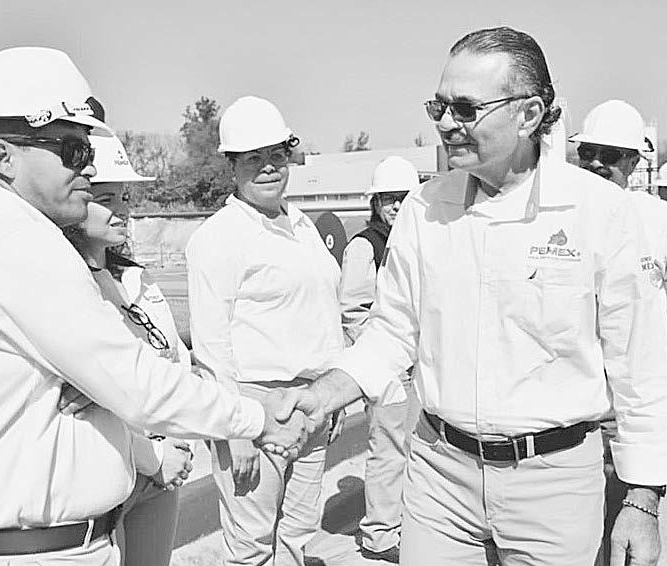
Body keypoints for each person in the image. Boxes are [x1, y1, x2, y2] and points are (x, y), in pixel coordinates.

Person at [273, 27, 667, 566]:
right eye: (438, 107)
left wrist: (642, 499)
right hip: (439, 476)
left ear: (529, 115)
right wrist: (321, 396)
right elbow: (392, 333)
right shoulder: (423, 209)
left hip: (554, 485)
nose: (445, 123)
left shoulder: (600, 212)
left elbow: (639, 367)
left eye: (464, 108)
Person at [0, 47, 311, 566]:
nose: (89, 166)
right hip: (38, 551)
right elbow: (138, 384)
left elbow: (121, 379)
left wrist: (100, 388)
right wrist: (256, 418)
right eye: (73, 150)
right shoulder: (16, 246)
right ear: (4, 157)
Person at [186, 95, 343, 566]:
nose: (269, 167)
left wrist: (332, 396)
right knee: (251, 545)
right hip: (255, 407)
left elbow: (324, 312)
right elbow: (211, 344)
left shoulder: (303, 227)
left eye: (277, 154)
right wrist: (233, 429)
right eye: (254, 158)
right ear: (232, 166)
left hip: (311, 403)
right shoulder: (218, 238)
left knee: (298, 534)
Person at [60, 133, 192, 566]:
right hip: (112, 466)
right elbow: (86, 398)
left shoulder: (137, 279)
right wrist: (152, 457)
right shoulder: (64, 286)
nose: (122, 210)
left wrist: (176, 443)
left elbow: (174, 361)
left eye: (125, 197)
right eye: (105, 198)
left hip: (163, 464)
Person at [570, 99, 667, 566]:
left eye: (609, 155)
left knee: (622, 525)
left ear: (632, 162)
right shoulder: (559, 216)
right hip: (572, 407)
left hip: (625, 403)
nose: (596, 163)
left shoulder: (659, 221)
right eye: (587, 152)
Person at [339, 155, 420, 563]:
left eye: (403, 197)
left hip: (417, 367)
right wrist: (381, 366)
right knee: (389, 449)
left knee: (414, 450)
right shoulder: (365, 246)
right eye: (389, 198)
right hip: (390, 371)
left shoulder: (413, 240)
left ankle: (403, 523)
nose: (396, 205)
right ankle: (380, 533)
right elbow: (354, 312)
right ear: (375, 203)